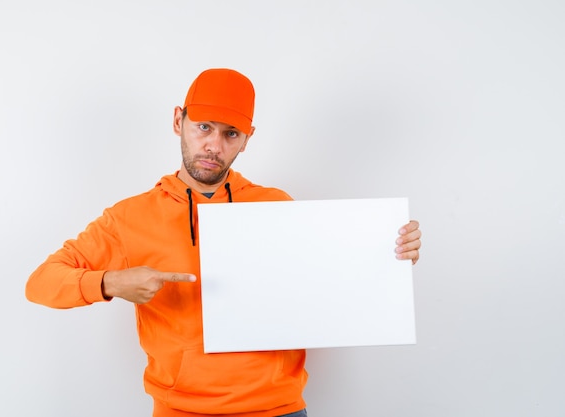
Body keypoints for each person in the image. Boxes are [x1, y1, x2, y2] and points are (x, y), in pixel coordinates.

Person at [25, 68, 422, 417]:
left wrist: (388, 257)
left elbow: (325, 286)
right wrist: (111, 283)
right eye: (204, 127)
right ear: (178, 120)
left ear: (246, 140)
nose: (215, 145)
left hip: (278, 410)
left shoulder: (275, 205)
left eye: (231, 133)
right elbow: (41, 283)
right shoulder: (129, 218)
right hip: (181, 411)